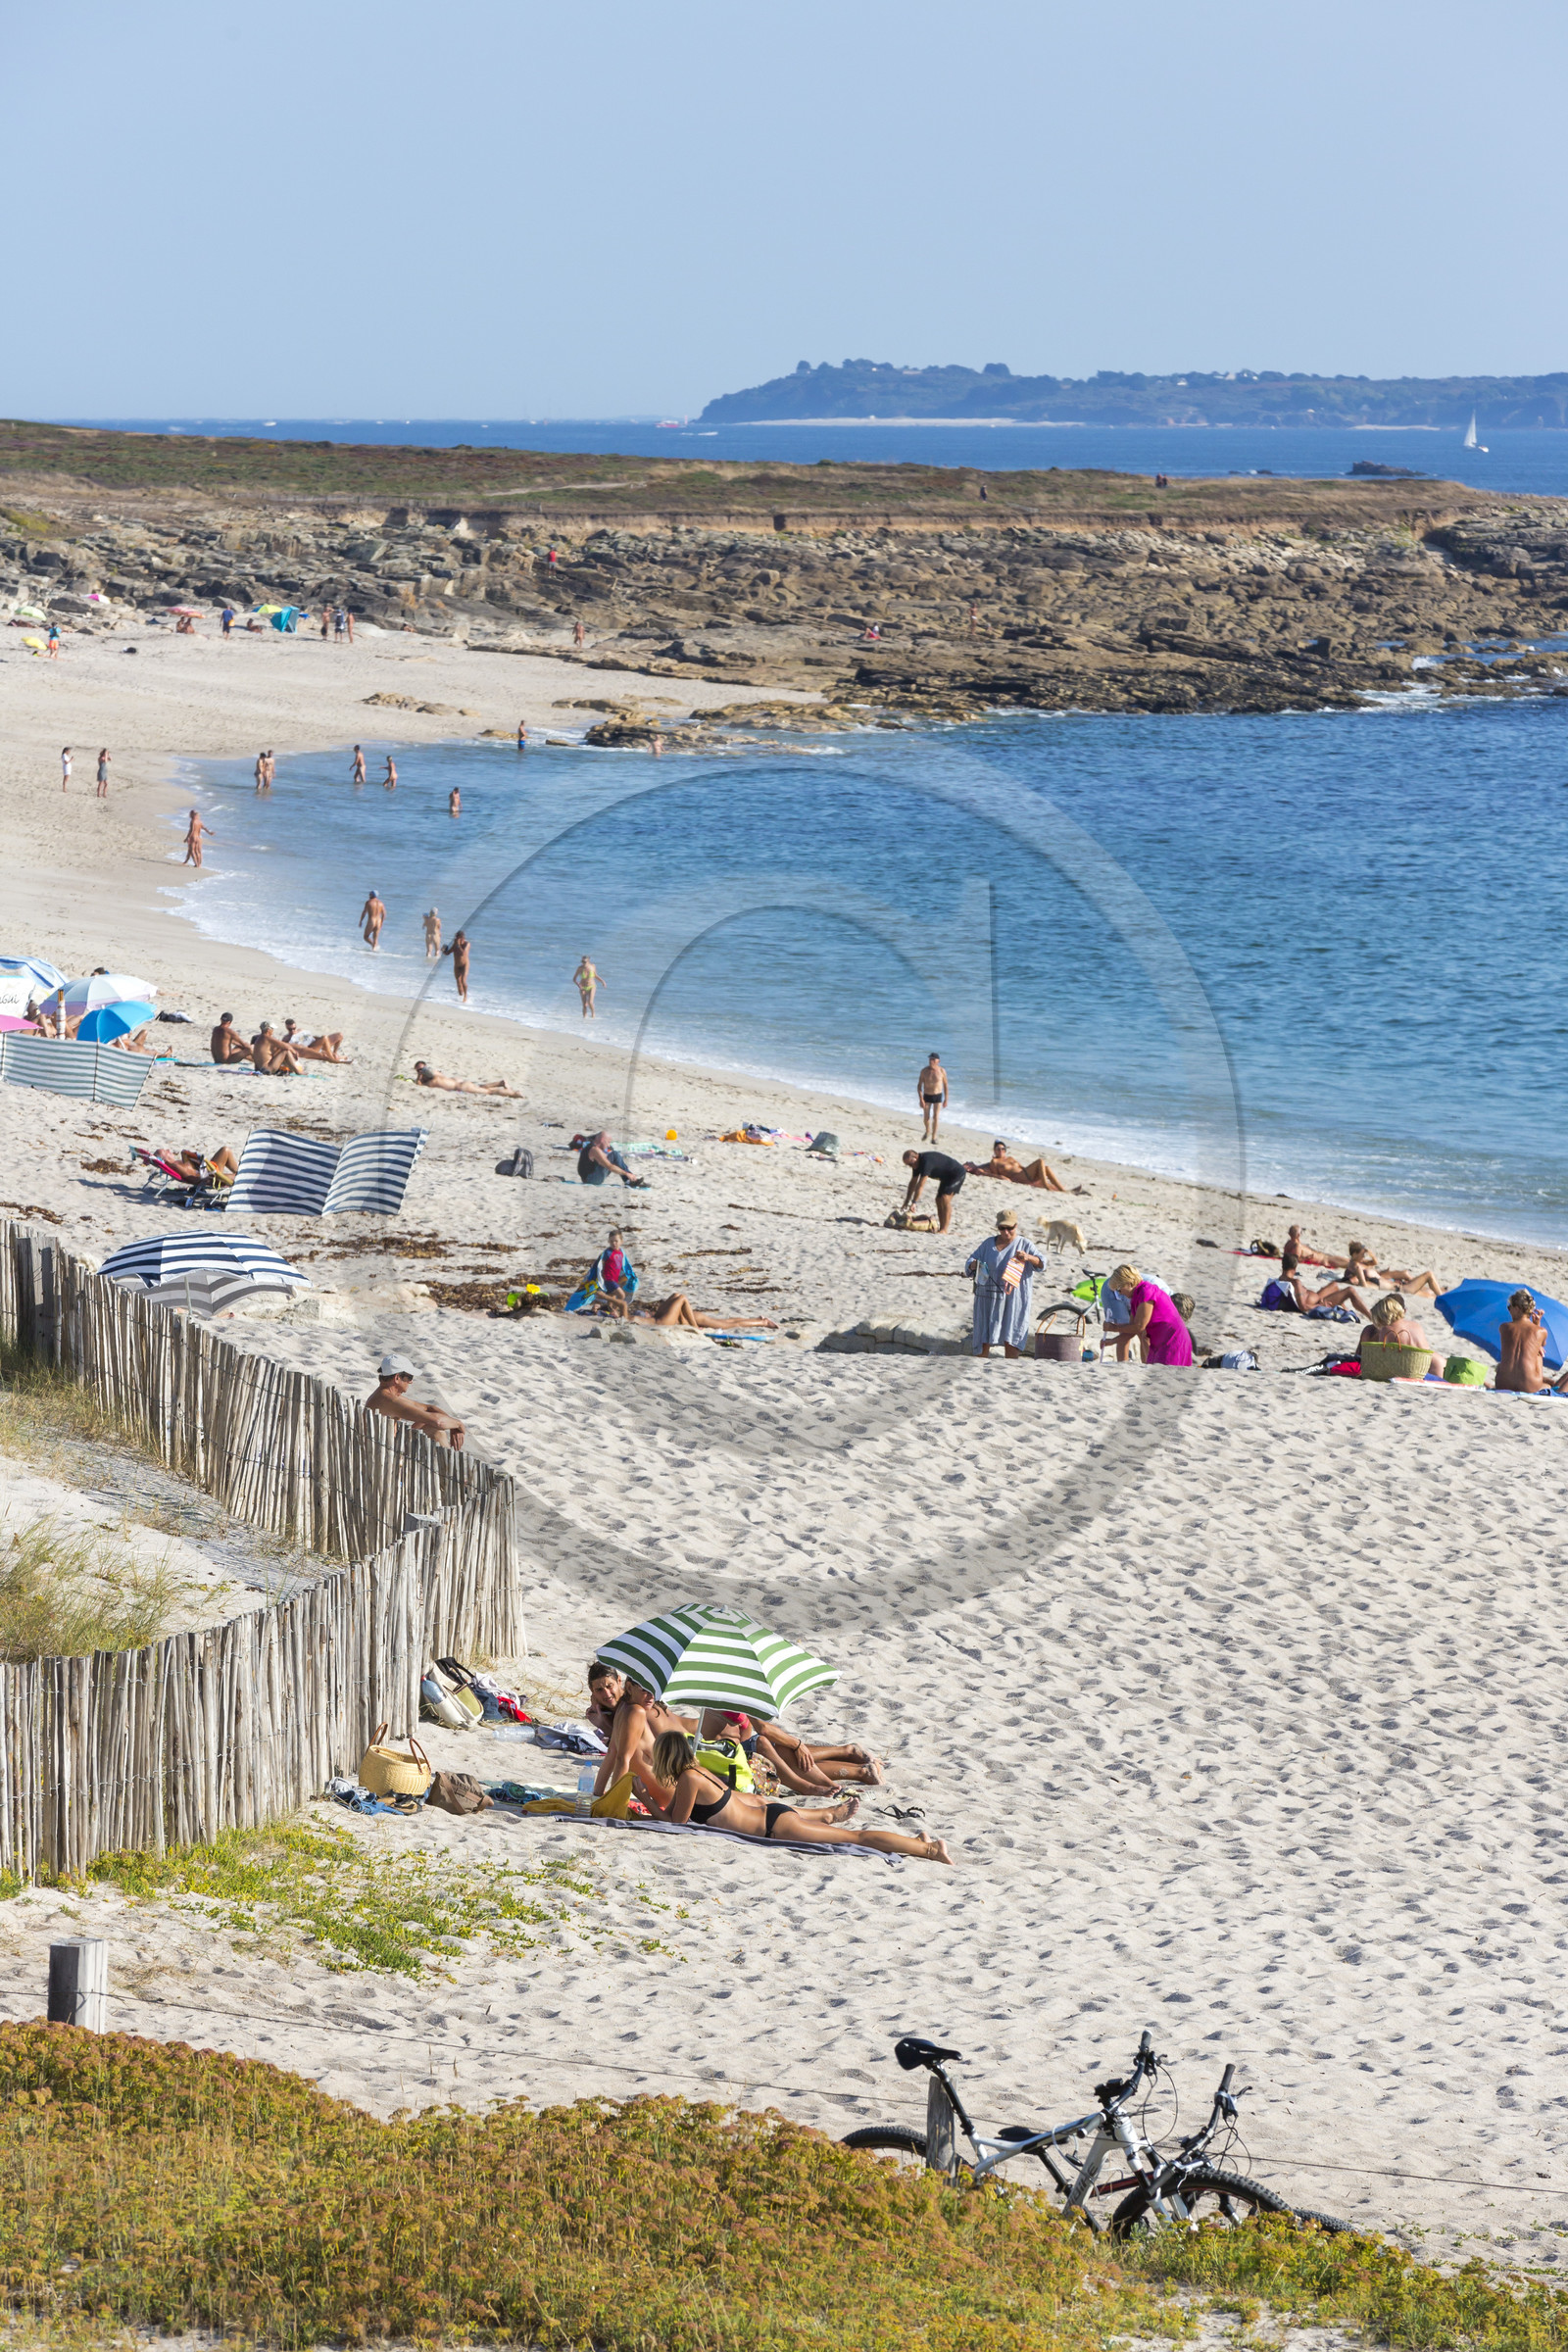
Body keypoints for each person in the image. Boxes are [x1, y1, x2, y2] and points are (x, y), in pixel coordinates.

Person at [649, 1733, 951, 1863]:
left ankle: (930, 1850)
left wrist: (643, 1797)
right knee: (852, 1836)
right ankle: (919, 1843)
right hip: (772, 1816)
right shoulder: (696, 1771)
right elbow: (674, 1812)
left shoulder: (688, 1779)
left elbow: (674, 1823)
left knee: (855, 1839)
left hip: (776, 1827)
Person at [966, 1207, 1043, 1358]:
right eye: (1002, 1228)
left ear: (1016, 1226)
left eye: (1010, 1228)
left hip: (1014, 1300)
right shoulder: (988, 1244)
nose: (1006, 1232)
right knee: (983, 1336)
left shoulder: (1025, 1244)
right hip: (987, 1299)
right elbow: (970, 1262)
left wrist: (1028, 1257)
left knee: (1012, 1335)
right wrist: (973, 1265)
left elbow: (1042, 1263)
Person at [365, 1353, 465, 1449]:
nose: (411, 1382)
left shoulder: (384, 1395)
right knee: (437, 1430)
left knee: (430, 1422)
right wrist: (459, 1424)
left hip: (391, 1445)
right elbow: (438, 1422)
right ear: (397, 1378)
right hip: (387, 1454)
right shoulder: (388, 1400)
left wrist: (453, 1427)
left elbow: (430, 1409)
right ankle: (449, 1465)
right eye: (409, 1377)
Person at [1103, 1263, 1197, 1366]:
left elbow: (1139, 1326)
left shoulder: (1146, 1291)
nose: (1119, 1293)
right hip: (1160, 1341)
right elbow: (1131, 1331)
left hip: (1172, 1340)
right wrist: (1112, 1341)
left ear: (1129, 1284)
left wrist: (1113, 1327)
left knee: (1162, 1376)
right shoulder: (1136, 1297)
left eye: (1119, 1289)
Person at [1269, 1249, 1374, 1317]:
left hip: (1316, 1298)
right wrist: (1321, 1306)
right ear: (1295, 1267)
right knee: (1350, 1290)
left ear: (1283, 1265)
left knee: (1334, 1285)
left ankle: (1345, 1311)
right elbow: (1304, 1307)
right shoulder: (1295, 1282)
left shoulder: (1279, 1279)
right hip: (1317, 1303)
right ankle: (1371, 1316)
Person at [1358, 1291, 1445, 1374]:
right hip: (1435, 1366)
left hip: (1419, 1371)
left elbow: (1382, 1361)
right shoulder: (1415, 1325)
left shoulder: (1387, 1330)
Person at [1496, 1290, 1553, 1394]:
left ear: (1517, 1309)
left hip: (1503, 1384)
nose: (1509, 1310)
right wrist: (1537, 1324)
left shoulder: (1504, 1328)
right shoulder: (1541, 1331)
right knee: (1538, 1351)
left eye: (1510, 1307)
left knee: (1534, 1347)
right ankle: (1546, 1382)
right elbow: (1540, 1343)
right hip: (1530, 1386)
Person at [900, 1146, 965, 1234]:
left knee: (945, 1198)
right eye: (908, 1165)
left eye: (910, 1164)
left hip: (957, 1174)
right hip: (946, 1177)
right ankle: (941, 1228)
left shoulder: (926, 1162)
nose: (910, 1166)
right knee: (938, 1199)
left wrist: (914, 1202)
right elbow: (913, 1183)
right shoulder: (916, 1165)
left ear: (915, 1157)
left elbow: (921, 1185)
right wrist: (907, 1201)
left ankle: (944, 1229)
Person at [964, 1139, 1067, 1192]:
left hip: (1024, 1173)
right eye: (998, 1149)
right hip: (1018, 1177)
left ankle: (1062, 1189)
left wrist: (1037, 1174)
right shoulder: (994, 1162)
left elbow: (1022, 1167)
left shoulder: (1010, 1158)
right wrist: (986, 1173)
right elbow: (996, 1175)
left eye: (1003, 1149)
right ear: (994, 1151)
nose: (1001, 1151)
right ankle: (1046, 1186)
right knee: (1040, 1161)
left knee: (1046, 1168)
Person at [577, 1130, 648, 1188]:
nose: (608, 1145)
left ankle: (630, 1180)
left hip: (589, 1177)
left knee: (613, 1155)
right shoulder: (594, 1150)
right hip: (591, 1179)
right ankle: (630, 1180)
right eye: (608, 1142)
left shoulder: (593, 1146)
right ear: (602, 1140)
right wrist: (626, 1174)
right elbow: (610, 1167)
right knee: (615, 1154)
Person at [413, 1059, 518, 1095]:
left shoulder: (433, 1078)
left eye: (422, 1069)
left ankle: (514, 1094)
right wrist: (421, 1074)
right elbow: (420, 1083)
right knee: (481, 1087)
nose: (421, 1071)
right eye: (419, 1070)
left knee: (488, 1092)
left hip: (462, 1087)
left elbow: (419, 1084)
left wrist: (420, 1075)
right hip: (462, 1083)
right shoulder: (435, 1075)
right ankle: (500, 1083)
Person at [281, 1019, 349, 1063]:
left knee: (339, 1035)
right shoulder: (286, 1038)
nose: (293, 1030)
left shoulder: (301, 1030)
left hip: (316, 1044)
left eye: (294, 1028)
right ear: (287, 1028)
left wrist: (320, 1040)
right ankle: (332, 1058)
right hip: (310, 1049)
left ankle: (335, 1053)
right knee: (324, 1037)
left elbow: (311, 1037)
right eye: (290, 1029)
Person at [917, 1051, 948, 1140]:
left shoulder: (942, 1071)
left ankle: (934, 1137)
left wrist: (946, 1099)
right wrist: (921, 1099)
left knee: (936, 1117)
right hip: (927, 1095)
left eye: (933, 1059)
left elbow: (945, 1085)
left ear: (938, 1061)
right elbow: (919, 1086)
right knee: (926, 1117)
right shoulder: (924, 1071)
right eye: (930, 1059)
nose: (931, 1061)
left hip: (938, 1095)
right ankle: (927, 1131)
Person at [448, 928, 470, 1003]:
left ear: (462, 938)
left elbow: (463, 953)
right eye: (456, 938)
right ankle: (460, 997)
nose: (457, 940)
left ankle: (465, 996)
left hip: (465, 965)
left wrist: (458, 945)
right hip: (457, 965)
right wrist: (444, 949)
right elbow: (448, 952)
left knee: (463, 981)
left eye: (458, 939)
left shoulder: (467, 944)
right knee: (458, 981)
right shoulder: (455, 944)